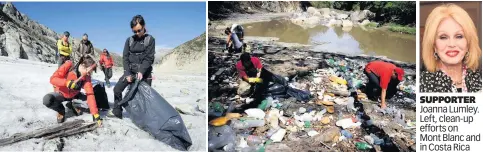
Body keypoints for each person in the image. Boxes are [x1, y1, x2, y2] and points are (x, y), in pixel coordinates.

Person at [420, 3, 482, 93]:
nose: (452, 44)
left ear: (468, 43)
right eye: (443, 37)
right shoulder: (422, 85)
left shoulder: (479, 77)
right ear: (434, 45)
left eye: (459, 36)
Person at [108, 15, 155, 119]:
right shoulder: (129, 40)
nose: (137, 33)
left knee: (145, 97)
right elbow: (125, 58)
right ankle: (117, 111)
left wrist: (141, 71)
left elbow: (149, 58)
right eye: (134, 31)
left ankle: (145, 118)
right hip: (131, 71)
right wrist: (127, 73)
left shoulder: (150, 40)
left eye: (139, 30)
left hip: (144, 73)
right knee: (117, 89)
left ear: (144, 26)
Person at [42, 55, 102, 126]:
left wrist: (95, 113)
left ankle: (73, 104)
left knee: (96, 103)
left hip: (74, 95)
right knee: (47, 100)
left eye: (90, 73)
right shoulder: (69, 65)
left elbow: (90, 94)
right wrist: (66, 83)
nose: (88, 74)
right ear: (82, 65)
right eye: (88, 72)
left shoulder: (86, 77)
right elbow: (53, 79)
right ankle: (61, 110)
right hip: (61, 94)